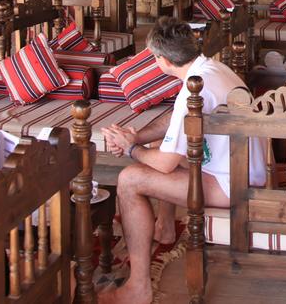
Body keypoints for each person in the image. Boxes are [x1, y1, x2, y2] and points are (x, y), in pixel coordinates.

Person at [100, 18, 266, 304]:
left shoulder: (195, 87)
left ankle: (138, 288)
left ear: (162, 60)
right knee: (159, 144)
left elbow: (166, 163)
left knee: (129, 180)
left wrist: (130, 149)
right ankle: (164, 228)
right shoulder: (210, 69)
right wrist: (137, 136)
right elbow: (173, 122)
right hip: (242, 167)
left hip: (235, 183)